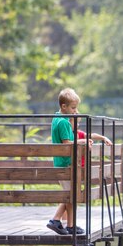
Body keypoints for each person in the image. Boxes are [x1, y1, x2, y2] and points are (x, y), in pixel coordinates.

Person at [46, 88, 91, 235]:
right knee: (69, 195)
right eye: (73, 108)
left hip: (61, 162)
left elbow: (68, 138)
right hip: (64, 163)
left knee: (70, 195)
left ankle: (71, 225)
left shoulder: (57, 118)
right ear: (64, 106)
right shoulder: (63, 122)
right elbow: (67, 142)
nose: (75, 110)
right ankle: (55, 220)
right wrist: (83, 142)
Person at [60, 116, 112, 222]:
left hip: (80, 169)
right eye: (75, 123)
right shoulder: (68, 136)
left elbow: (91, 135)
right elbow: (69, 143)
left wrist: (103, 138)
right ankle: (64, 221)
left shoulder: (79, 133)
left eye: (78, 123)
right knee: (70, 195)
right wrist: (83, 141)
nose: (77, 125)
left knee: (73, 195)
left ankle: (65, 221)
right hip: (71, 167)